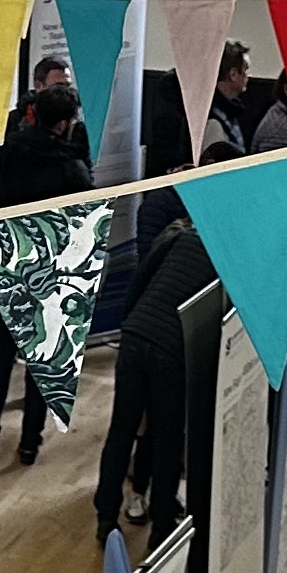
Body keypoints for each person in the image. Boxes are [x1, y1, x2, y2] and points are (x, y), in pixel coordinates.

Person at [0, 77, 90, 462]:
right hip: (50, 273)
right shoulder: (72, 170)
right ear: (63, 125)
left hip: (8, 265)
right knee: (41, 358)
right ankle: (30, 442)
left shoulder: (3, 153)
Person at [97, 191, 218, 545]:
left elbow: (140, 282)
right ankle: (162, 528)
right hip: (173, 349)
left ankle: (106, 518)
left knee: (121, 432)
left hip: (136, 337)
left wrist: (130, 328)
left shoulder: (179, 235)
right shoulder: (234, 260)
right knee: (166, 439)